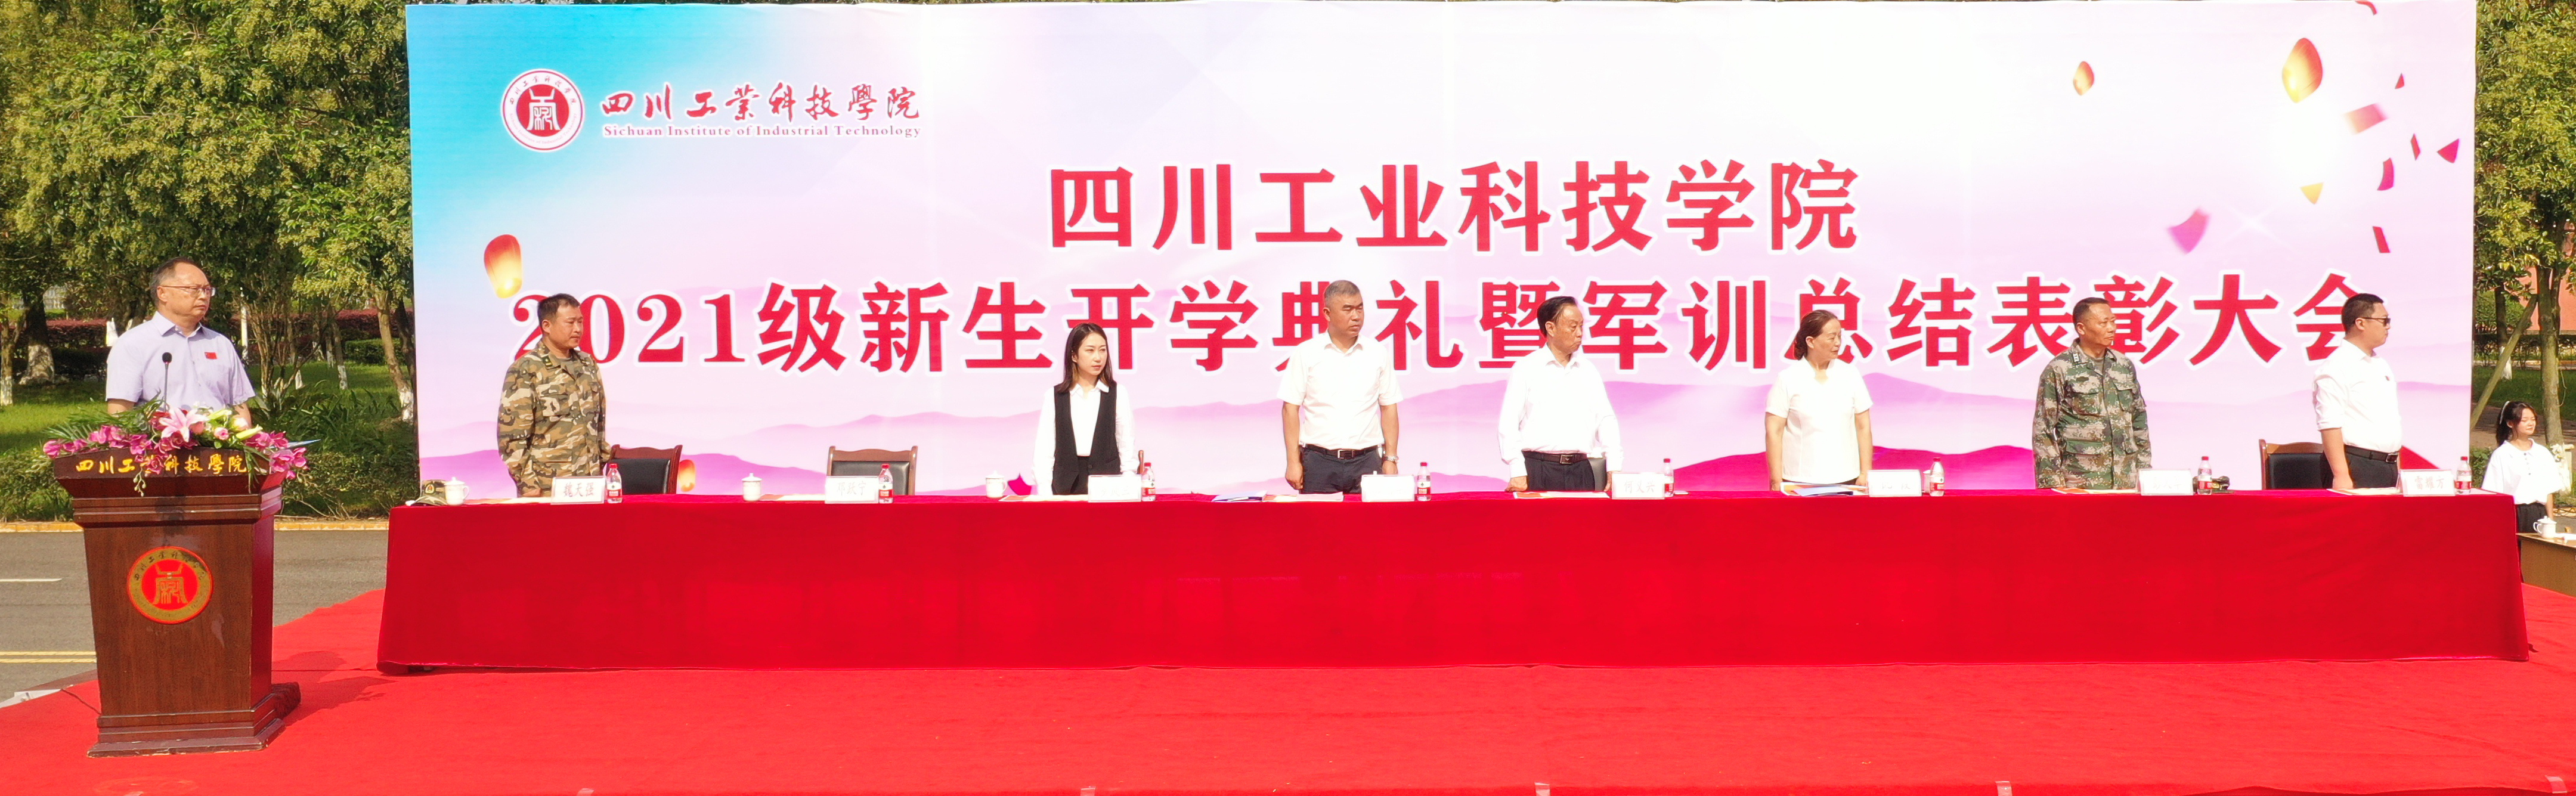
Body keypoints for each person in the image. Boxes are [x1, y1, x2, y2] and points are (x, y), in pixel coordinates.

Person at [1280, 280, 1402, 494]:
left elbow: (1389, 407)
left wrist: (1391, 458)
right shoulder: (1307, 353)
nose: (1356, 316)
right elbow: (1290, 408)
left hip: (1367, 461)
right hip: (1318, 462)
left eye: (1360, 308)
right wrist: (1293, 461)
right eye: (1348, 309)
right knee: (1318, 517)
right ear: (1327, 314)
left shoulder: (1377, 353)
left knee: (1369, 517)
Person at [105, 257, 255, 422]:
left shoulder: (220, 344)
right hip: (162, 437)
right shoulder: (133, 343)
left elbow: (240, 408)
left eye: (207, 290)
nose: (203, 296)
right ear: (163, 293)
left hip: (219, 437)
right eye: (193, 289)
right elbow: (120, 413)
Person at [1497, 296, 1623, 492]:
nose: (1579, 334)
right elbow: (1509, 422)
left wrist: (1614, 466)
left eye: (1581, 326)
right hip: (1538, 469)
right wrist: (1517, 469)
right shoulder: (1527, 368)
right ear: (1551, 328)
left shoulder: (1588, 370)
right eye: (1573, 327)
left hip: (1581, 470)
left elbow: (1606, 420)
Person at [2032, 297, 2151, 489]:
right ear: (2082, 328)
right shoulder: (2061, 368)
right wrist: (2053, 483)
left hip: (2125, 480)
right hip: (2081, 480)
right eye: (2103, 323)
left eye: (2113, 321)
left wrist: (2145, 473)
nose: (2111, 328)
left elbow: (2139, 420)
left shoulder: (2123, 365)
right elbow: (2043, 429)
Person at [497, 294, 608, 497]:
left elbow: (599, 424)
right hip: (547, 486)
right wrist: (528, 485)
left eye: (581, 322)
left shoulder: (587, 365)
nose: (578, 329)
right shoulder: (527, 368)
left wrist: (600, 466)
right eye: (570, 323)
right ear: (547, 326)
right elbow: (511, 436)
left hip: (589, 484)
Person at [1765, 310, 1874, 491]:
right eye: (1831, 338)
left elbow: (1864, 426)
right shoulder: (1788, 378)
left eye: (1839, 336)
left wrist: (1865, 472)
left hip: (1847, 478)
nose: (1838, 343)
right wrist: (1776, 480)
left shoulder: (1850, 374)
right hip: (1799, 479)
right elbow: (1774, 431)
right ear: (1811, 341)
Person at [1032, 323, 1138, 495]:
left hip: (1108, 484)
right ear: (1074, 355)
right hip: (1066, 485)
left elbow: (1126, 441)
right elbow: (1045, 447)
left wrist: (1128, 479)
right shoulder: (1055, 396)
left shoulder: (1118, 393)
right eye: (1090, 351)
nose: (1098, 358)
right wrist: (1044, 489)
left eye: (1103, 350)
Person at [2315, 293, 2400, 490]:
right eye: (2384, 321)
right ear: (2361, 323)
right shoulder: (2337, 367)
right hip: (2357, 465)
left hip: (2387, 466)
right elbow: (2330, 424)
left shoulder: (2380, 363)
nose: (2388, 327)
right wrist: (2341, 475)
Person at [2482, 400, 2560, 534]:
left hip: (2539, 515)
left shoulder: (2542, 453)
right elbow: (2494, 494)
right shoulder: (2502, 454)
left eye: (2533, 419)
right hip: (2512, 515)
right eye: (2524, 420)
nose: (2531, 423)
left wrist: (2551, 521)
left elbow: (2548, 491)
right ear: (2510, 423)